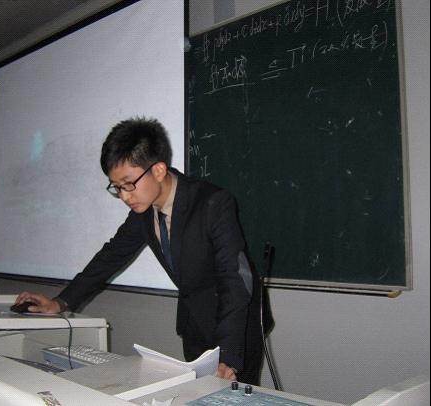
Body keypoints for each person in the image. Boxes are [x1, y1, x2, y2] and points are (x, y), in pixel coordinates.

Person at [15, 117, 272, 383]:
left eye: (128, 184)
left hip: (237, 327)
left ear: (158, 170)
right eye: (116, 187)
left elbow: (235, 278)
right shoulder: (144, 212)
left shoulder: (212, 203)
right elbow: (111, 256)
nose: (124, 196)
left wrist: (228, 353)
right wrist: (61, 302)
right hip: (195, 323)